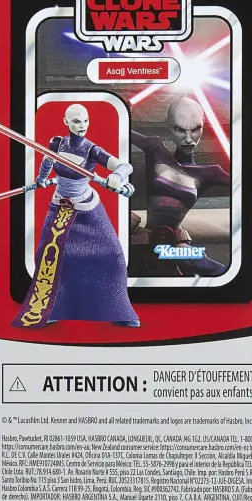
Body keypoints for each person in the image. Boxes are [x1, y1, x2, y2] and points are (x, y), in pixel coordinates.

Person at [13, 104, 139, 328]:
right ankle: (51, 308)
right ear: (66, 122)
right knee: (48, 257)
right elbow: (47, 161)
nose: (82, 126)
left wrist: (117, 177)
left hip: (86, 207)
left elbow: (124, 166)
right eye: (76, 121)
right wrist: (41, 179)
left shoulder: (92, 150)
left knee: (113, 255)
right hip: (60, 206)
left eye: (85, 121)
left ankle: (120, 310)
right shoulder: (56, 143)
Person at [128, 97, 231, 277]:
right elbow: (118, 129)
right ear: (169, 126)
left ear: (203, 125)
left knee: (207, 266)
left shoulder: (211, 173)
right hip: (146, 242)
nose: (189, 139)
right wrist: (123, 113)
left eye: (196, 129)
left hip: (177, 247)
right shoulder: (155, 149)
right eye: (180, 130)